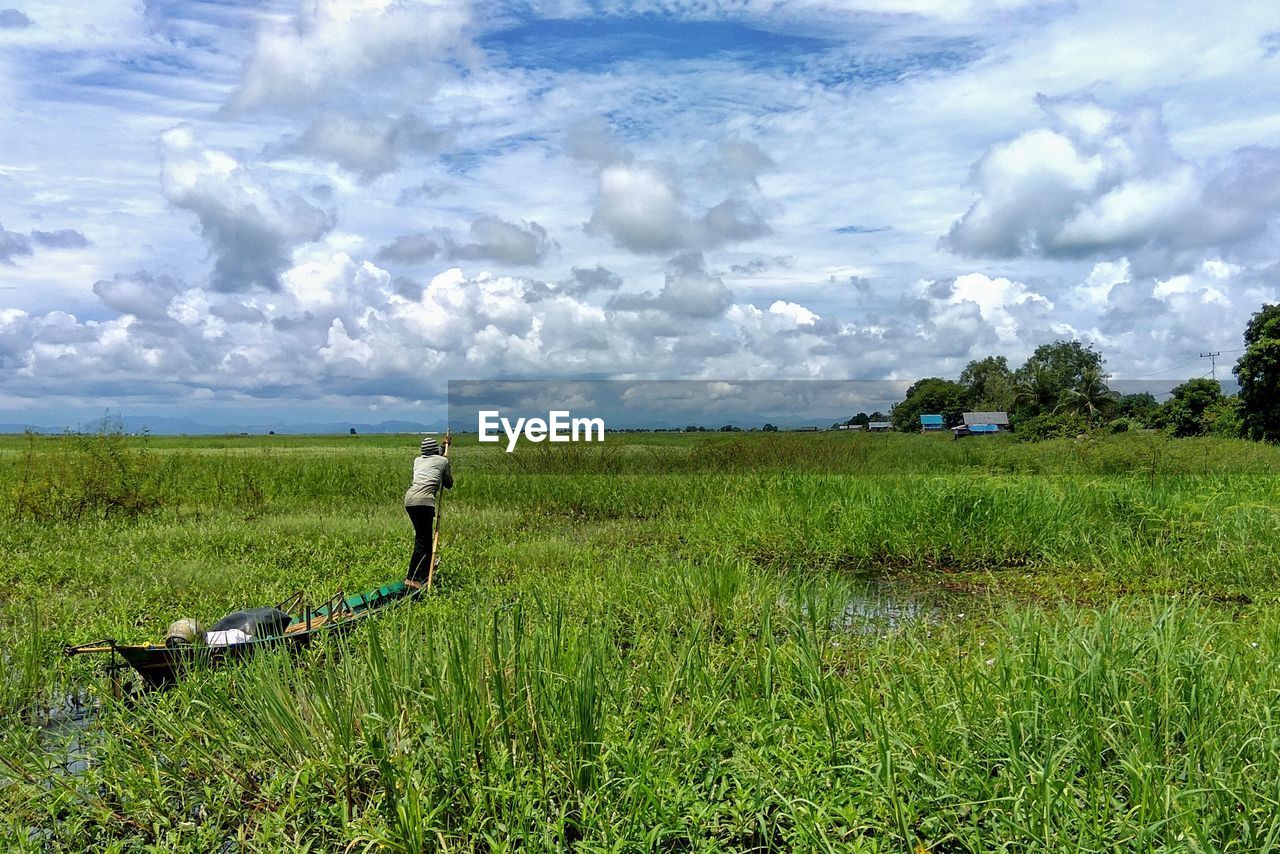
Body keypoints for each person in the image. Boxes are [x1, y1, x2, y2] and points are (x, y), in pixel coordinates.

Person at [404, 435, 452, 589]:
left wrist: (444, 446)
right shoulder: (442, 461)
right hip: (424, 502)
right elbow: (449, 483)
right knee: (423, 540)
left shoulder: (417, 461)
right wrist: (445, 452)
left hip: (410, 500)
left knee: (424, 539)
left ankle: (424, 574)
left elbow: (434, 455)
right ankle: (412, 578)